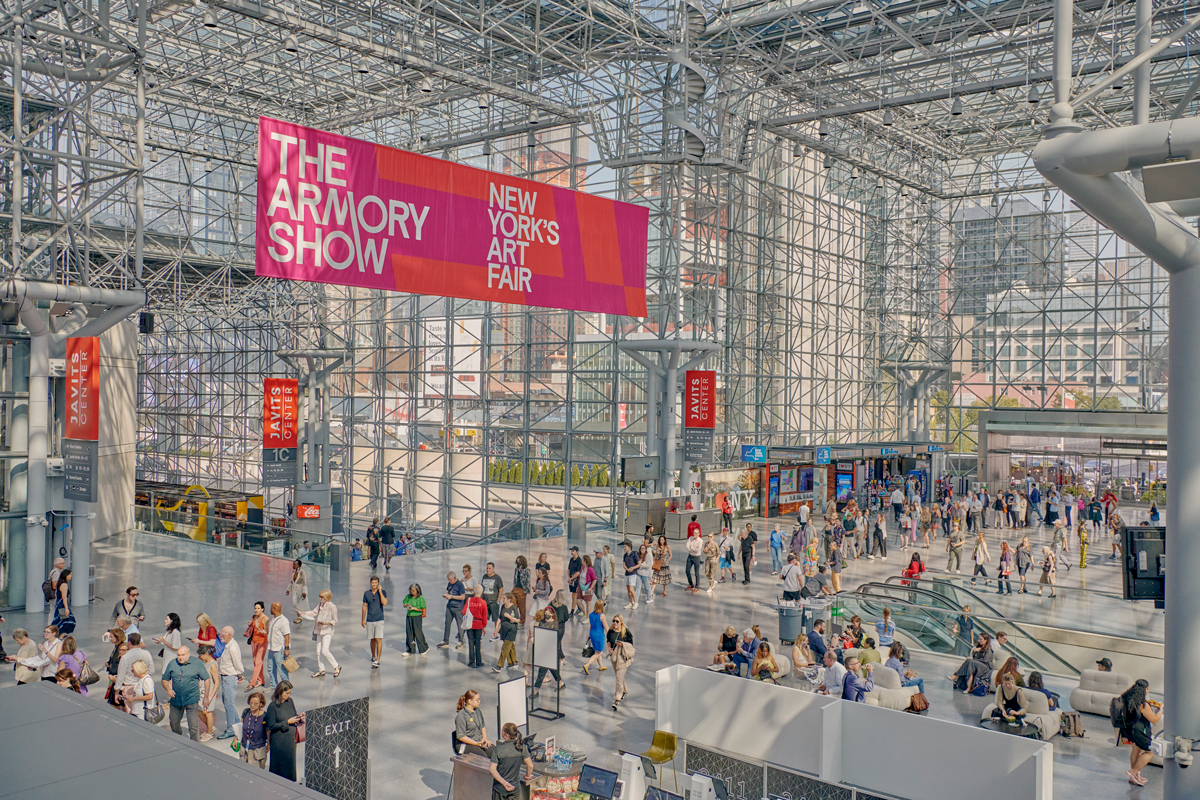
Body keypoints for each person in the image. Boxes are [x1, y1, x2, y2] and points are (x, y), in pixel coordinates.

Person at [162, 645, 212, 741]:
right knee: (173, 722)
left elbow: (206, 679)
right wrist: (168, 689)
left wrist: (206, 697)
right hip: (176, 699)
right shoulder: (172, 664)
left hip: (191, 698)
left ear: (189, 654)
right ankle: (178, 738)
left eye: (183, 655)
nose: (180, 657)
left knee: (193, 726)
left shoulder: (197, 663)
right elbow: (164, 679)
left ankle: (195, 745)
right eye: (178, 655)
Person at [266, 681, 302, 781]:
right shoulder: (272, 707)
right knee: (279, 765)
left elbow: (293, 715)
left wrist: (299, 717)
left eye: (290, 693)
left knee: (290, 763)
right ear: (280, 692)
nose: (288, 695)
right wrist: (286, 722)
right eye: (286, 693)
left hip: (290, 740)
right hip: (279, 741)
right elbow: (271, 725)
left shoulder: (290, 702)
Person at [300, 589, 340, 677]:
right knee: (318, 651)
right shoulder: (320, 605)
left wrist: (327, 623)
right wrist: (303, 613)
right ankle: (321, 669)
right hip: (319, 630)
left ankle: (336, 666)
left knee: (325, 650)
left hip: (327, 631)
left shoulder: (332, 607)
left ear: (326, 597)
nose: (320, 598)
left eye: (321, 597)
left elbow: (335, 620)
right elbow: (313, 612)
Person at [490, 721, 534, 800]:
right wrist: (528, 776)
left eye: (502, 731)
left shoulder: (498, 749)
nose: (500, 732)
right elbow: (530, 765)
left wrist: (505, 783)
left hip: (500, 789)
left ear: (506, 735)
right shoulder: (521, 747)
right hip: (515, 788)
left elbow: (492, 770)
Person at [215, 627, 246, 738]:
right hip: (226, 677)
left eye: (222, 634)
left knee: (229, 704)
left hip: (230, 677)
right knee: (227, 702)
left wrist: (239, 675)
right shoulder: (227, 645)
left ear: (229, 635)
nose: (220, 636)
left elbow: (238, 664)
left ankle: (230, 729)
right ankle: (238, 724)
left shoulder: (232, 648)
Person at [455, 689, 492, 756]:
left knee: (495, 753)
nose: (479, 701)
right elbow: (461, 737)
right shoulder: (461, 716)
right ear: (469, 701)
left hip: (478, 740)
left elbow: (482, 725)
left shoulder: (478, 711)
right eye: (477, 700)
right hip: (465, 744)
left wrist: (485, 738)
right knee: (483, 757)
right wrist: (476, 743)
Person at [608, 614, 634, 710]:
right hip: (614, 658)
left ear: (621, 623)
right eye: (614, 621)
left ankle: (617, 700)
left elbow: (631, 645)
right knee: (619, 677)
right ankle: (625, 691)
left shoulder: (626, 632)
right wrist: (609, 648)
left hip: (623, 659)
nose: (615, 623)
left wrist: (622, 644)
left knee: (618, 679)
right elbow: (608, 640)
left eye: (617, 621)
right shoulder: (610, 631)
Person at [264, 602, 291, 688]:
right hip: (271, 648)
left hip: (279, 649)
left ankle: (286, 687)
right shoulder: (273, 619)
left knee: (281, 669)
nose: (270, 609)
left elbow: (287, 636)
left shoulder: (283, 621)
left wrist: (286, 649)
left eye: (271, 608)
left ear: (275, 609)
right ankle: (274, 686)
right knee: (271, 669)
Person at [438, 570, 468, 649]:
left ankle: (461, 641)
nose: (449, 581)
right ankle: (446, 640)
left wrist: (452, 597)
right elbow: (449, 591)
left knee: (460, 625)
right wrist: (447, 595)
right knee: (447, 624)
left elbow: (462, 597)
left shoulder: (460, 585)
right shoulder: (450, 584)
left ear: (454, 578)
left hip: (457, 607)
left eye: (450, 580)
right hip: (449, 607)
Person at [240, 690, 269, 768]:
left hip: (257, 751)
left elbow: (268, 731)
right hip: (244, 749)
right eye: (250, 703)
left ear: (261, 704)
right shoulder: (246, 712)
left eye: (255, 704)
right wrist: (236, 739)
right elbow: (240, 727)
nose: (252, 705)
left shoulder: (265, 716)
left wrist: (269, 744)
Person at [493, 593, 521, 672]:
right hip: (504, 629)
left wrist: (509, 617)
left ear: (509, 599)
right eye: (503, 598)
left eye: (504, 598)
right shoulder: (503, 606)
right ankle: (513, 662)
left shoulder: (513, 608)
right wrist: (496, 629)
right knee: (510, 646)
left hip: (511, 630)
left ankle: (499, 665)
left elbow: (518, 620)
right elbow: (500, 618)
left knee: (505, 648)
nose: (503, 599)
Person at [197, 645, 220, 739]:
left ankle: (209, 732)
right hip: (202, 689)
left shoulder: (213, 665)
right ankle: (209, 727)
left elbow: (217, 682)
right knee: (199, 710)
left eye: (201, 655)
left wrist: (210, 696)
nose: (200, 657)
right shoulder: (204, 663)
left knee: (208, 712)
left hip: (209, 690)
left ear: (206, 654)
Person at [245, 602, 269, 689]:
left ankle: (252, 682)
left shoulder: (266, 619)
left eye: (258, 608)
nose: (256, 610)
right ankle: (261, 679)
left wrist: (263, 632)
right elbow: (253, 627)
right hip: (254, 641)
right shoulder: (254, 617)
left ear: (262, 609)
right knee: (256, 662)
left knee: (258, 662)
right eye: (255, 608)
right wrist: (250, 624)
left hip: (262, 642)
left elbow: (267, 631)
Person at [465, 586, 489, 668]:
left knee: (471, 642)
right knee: (478, 643)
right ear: (481, 592)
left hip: (470, 624)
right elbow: (484, 616)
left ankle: (471, 661)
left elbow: (464, 611)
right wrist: (484, 626)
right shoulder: (483, 602)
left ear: (474, 591)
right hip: (478, 624)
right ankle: (479, 661)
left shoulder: (469, 600)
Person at [583, 599, 609, 675]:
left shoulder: (591, 615)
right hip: (599, 635)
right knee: (599, 652)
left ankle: (601, 666)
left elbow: (590, 625)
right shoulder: (602, 616)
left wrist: (589, 634)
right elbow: (606, 627)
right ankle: (587, 665)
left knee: (597, 650)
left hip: (592, 633)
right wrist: (611, 635)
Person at [480, 562, 504, 640]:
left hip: (493, 602)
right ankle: (480, 633)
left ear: (493, 569)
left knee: (495, 618)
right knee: (483, 617)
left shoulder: (497, 578)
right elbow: (481, 589)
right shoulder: (484, 576)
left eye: (489, 568)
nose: (488, 570)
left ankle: (496, 633)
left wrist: (498, 601)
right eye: (487, 568)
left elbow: (501, 589)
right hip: (484, 602)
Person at [287, 559, 308, 624]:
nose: (293, 566)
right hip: (294, 590)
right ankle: (299, 615)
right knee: (295, 603)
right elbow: (292, 582)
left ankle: (300, 617)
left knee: (299, 604)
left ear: (298, 565)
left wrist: (304, 592)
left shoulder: (302, 572)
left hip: (300, 590)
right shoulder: (293, 572)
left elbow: (304, 583)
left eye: (294, 564)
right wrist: (288, 589)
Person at [566, 546, 584, 618]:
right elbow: (568, 569)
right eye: (571, 551)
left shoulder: (579, 561)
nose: (571, 552)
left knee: (574, 596)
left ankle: (572, 611)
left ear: (577, 551)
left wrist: (571, 578)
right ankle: (579, 607)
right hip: (571, 581)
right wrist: (569, 578)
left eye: (573, 551)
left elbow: (578, 572)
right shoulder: (571, 559)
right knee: (573, 595)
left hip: (576, 581)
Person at [512, 556, 531, 625]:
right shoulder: (516, 569)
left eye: (519, 561)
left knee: (522, 607)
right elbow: (515, 579)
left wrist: (526, 590)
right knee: (512, 604)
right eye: (517, 561)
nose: (517, 562)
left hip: (522, 589)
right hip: (515, 588)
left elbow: (528, 581)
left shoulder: (526, 570)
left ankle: (522, 621)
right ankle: (513, 619)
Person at [685, 525, 704, 592]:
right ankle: (691, 584)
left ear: (699, 534)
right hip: (690, 556)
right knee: (687, 571)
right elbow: (687, 546)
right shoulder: (690, 538)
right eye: (693, 533)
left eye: (696, 533)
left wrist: (691, 548)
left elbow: (698, 549)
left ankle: (697, 586)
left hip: (696, 557)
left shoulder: (700, 540)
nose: (694, 534)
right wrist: (692, 549)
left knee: (696, 573)